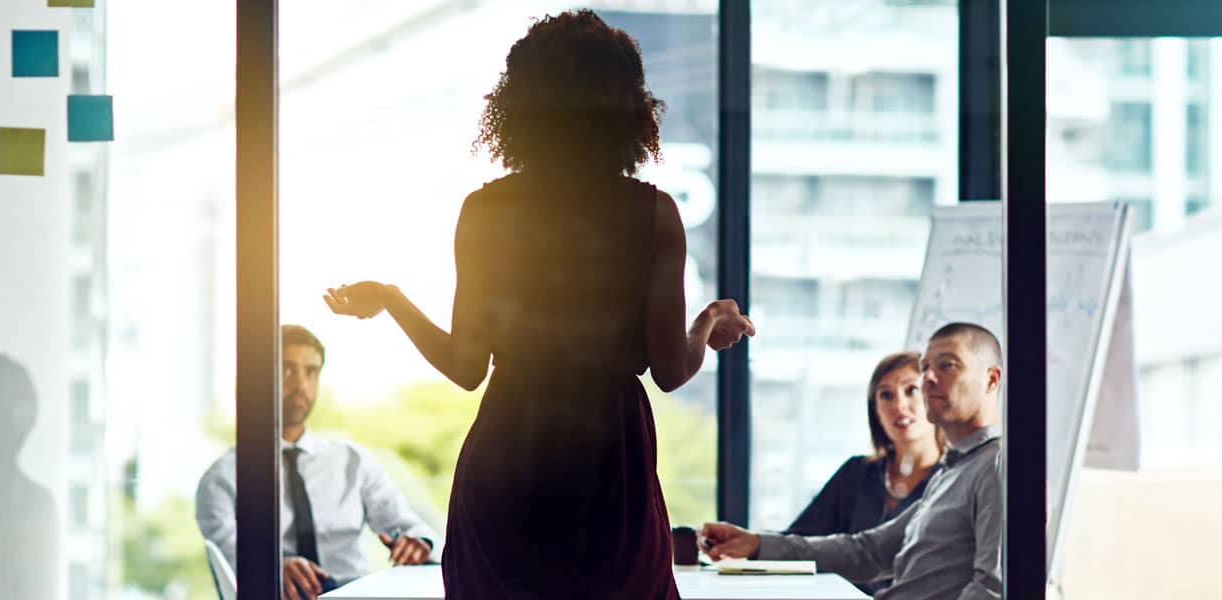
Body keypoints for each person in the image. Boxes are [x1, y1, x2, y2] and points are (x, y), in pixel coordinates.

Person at [322, 10, 755, 599]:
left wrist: (393, 299)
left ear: (521, 104)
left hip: (504, 469)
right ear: (625, 106)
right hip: (610, 475)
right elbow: (671, 370)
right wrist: (708, 323)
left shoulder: (484, 213)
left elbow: (466, 367)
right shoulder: (654, 216)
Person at [700, 322, 1003, 599]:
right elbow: (869, 551)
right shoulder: (954, 470)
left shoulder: (997, 465)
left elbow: (992, 589)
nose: (930, 379)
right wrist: (757, 544)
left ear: (991, 379)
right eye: (925, 368)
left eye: (948, 365)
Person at [195, 325, 438, 600]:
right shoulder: (222, 478)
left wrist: (418, 542)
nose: (301, 384)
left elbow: (407, 525)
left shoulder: (352, 462)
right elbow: (228, 557)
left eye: (311, 372)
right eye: (287, 370)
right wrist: (271, 568)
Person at [782, 352, 946, 594]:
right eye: (886, 395)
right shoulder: (857, 472)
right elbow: (798, 540)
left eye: (911, 390)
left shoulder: (951, 480)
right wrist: (748, 544)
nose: (899, 405)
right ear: (875, 410)